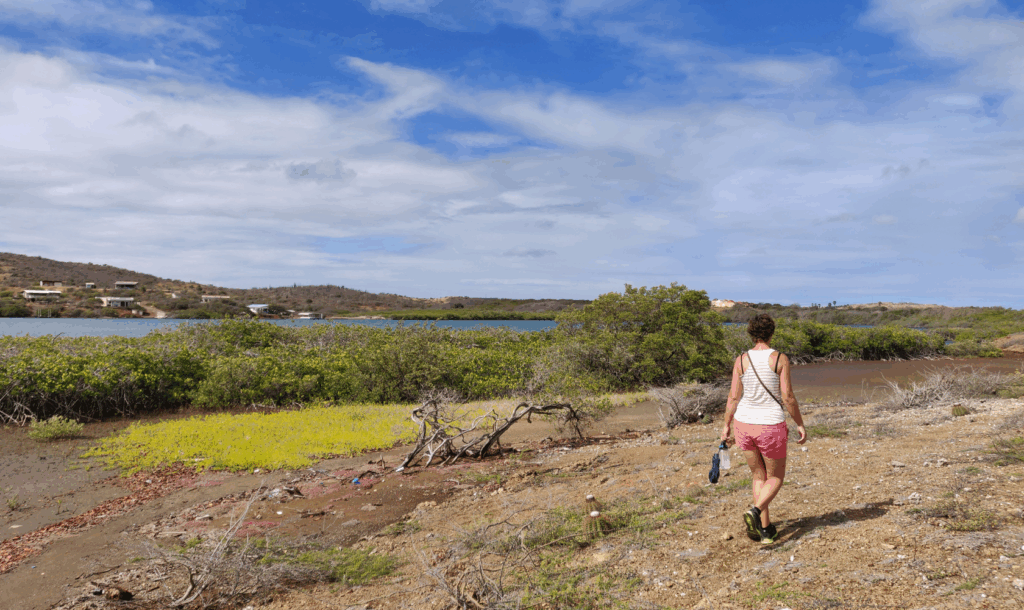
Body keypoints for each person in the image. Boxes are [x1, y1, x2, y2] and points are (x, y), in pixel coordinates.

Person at [719, 313, 806, 544]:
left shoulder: (741, 359)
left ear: (751, 333)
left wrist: (726, 425)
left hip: (743, 424)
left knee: (759, 476)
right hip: (770, 425)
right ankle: (755, 512)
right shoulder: (779, 359)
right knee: (775, 477)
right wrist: (799, 422)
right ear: (771, 333)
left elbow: (733, 397)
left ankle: (765, 530)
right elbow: (787, 397)